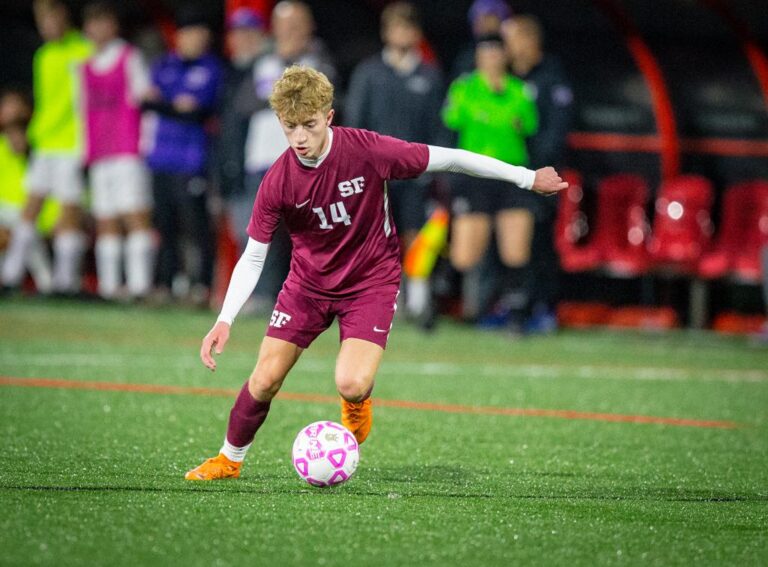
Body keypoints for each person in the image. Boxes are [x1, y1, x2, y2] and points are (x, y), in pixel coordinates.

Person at [184, 65, 566, 481]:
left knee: (350, 382)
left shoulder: (366, 150)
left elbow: (451, 159)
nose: (299, 138)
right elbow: (253, 256)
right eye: (289, 126)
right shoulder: (278, 180)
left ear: (329, 117)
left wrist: (527, 178)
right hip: (307, 288)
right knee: (263, 379)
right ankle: (229, 460)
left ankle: (356, 401)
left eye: (309, 125)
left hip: (370, 282)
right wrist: (225, 319)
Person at [345, 1, 445, 319]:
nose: (402, 33)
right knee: (375, 237)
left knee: (416, 233)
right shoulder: (369, 73)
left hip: (416, 172)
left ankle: (417, 298)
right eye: (396, 27)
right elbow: (355, 123)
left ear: (416, 33)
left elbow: (438, 126)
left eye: (407, 27)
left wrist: (433, 166)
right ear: (386, 32)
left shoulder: (430, 76)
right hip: (376, 172)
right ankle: (378, 298)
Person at [240, 0, 338, 311]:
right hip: (263, 159)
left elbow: (321, 105)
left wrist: (276, 95)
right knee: (264, 233)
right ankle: (264, 296)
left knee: (312, 233)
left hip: (307, 159)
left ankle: (318, 298)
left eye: (297, 24)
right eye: (285, 25)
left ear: (309, 27)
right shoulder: (260, 62)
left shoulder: (320, 62)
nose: (291, 31)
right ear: (275, 28)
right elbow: (243, 104)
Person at [442, 33, 539, 332]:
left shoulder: (520, 90)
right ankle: (435, 307)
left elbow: (529, 125)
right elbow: (452, 122)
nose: (492, 58)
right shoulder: (464, 88)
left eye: (497, 52)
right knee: (464, 253)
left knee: (516, 249)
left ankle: (517, 317)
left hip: (512, 174)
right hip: (476, 176)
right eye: (486, 53)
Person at [1, 0, 92, 295]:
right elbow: (44, 101)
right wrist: (31, 133)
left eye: (50, 18)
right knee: (31, 207)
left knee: (68, 212)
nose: (46, 26)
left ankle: (65, 284)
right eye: (41, 21)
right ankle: (10, 277)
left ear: (64, 16)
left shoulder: (84, 51)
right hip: (45, 143)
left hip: (72, 144)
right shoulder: (43, 55)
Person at [142, 8, 222, 305]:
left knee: (197, 225)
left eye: (204, 35)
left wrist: (166, 104)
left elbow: (199, 109)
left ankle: (201, 286)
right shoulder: (164, 65)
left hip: (192, 159)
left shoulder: (211, 68)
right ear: (180, 36)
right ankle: (167, 283)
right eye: (193, 34)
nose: (199, 39)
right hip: (160, 157)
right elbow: (148, 103)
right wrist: (174, 106)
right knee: (165, 225)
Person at [504, 15, 573, 333]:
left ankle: (546, 307)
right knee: (514, 244)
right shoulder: (505, 79)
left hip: (543, 176)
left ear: (530, 40)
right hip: (513, 175)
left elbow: (556, 134)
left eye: (513, 39)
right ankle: (513, 305)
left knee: (542, 243)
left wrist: (537, 163)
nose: (508, 46)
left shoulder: (552, 78)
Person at [81, 2, 154, 301]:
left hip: (127, 150)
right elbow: (81, 111)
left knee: (134, 215)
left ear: (114, 26)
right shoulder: (83, 66)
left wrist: (144, 145)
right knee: (105, 219)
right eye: (93, 23)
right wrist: (84, 153)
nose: (98, 29)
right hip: (100, 153)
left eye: (104, 22)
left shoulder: (129, 57)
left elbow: (145, 101)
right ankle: (110, 289)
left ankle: (139, 287)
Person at [213, 7, 268, 256]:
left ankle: (273, 293)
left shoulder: (269, 68)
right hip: (233, 163)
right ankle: (256, 293)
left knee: (266, 237)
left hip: (263, 163)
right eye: (237, 33)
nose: (243, 39)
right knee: (242, 235)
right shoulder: (225, 74)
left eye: (249, 33)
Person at [0, 88, 59, 294]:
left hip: (39, 214)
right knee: (21, 229)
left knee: (25, 227)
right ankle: (46, 283)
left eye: (15, 105)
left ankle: (41, 283)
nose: (9, 110)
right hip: (7, 214)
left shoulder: (41, 144)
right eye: (6, 105)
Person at [450, 0, 511, 80]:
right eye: (479, 19)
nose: (485, 24)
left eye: (490, 19)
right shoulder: (466, 58)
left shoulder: (511, 51)